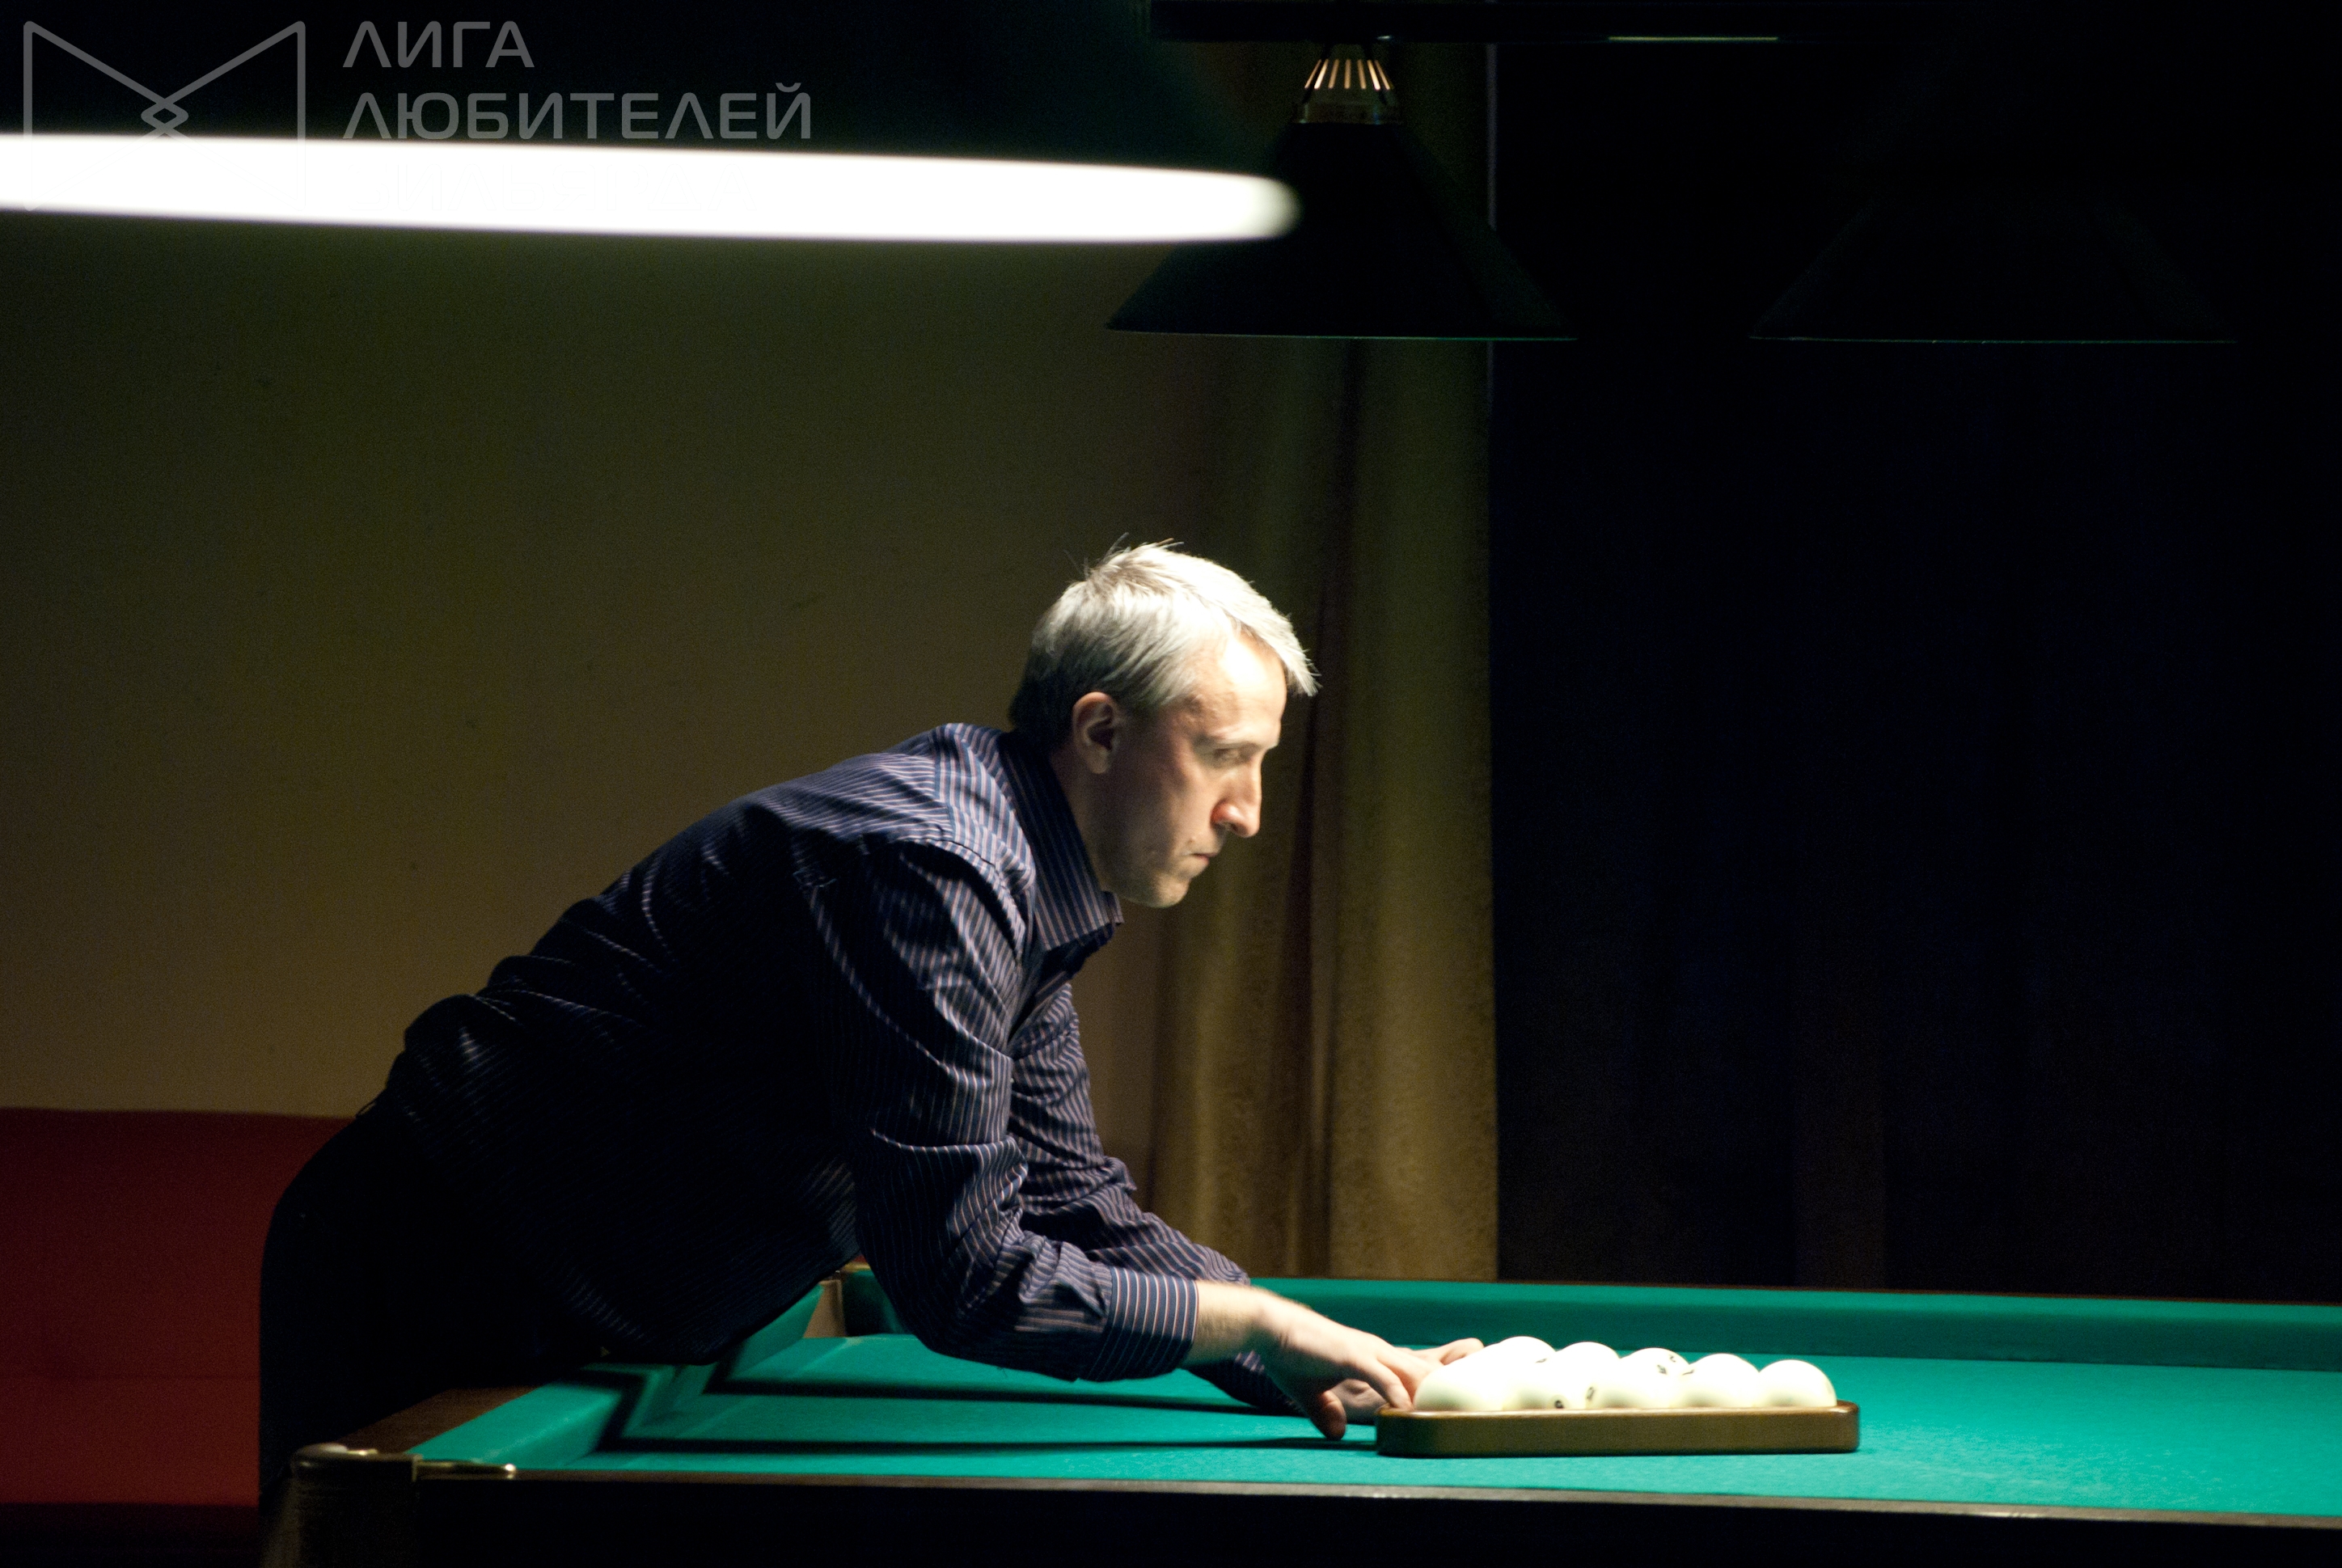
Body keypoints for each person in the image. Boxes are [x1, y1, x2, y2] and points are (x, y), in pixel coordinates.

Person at [259, 543, 1471, 1487]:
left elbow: (1069, 1200)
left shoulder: (1022, 878)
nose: (1247, 812)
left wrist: (1299, 1350)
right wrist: (1242, 1317)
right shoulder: (932, 868)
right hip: (430, 1262)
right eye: (1225, 756)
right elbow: (960, 1274)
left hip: (564, 1292)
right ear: (1102, 730)